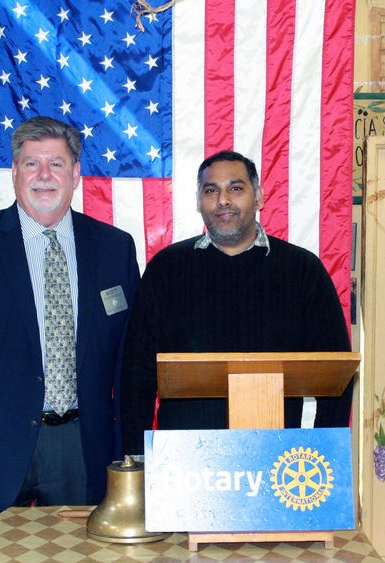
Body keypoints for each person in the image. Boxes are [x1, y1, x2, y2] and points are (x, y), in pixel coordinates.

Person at [0, 116, 139, 561]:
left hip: (84, 445)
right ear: (15, 172)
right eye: (31, 163)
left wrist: (129, 453)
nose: (43, 175)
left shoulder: (114, 247)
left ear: (76, 174)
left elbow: (128, 358)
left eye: (56, 164)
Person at [121, 150, 352, 455]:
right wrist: (137, 456)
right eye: (211, 190)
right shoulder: (167, 268)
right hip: (185, 462)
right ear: (198, 201)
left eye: (236, 188)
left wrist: (321, 452)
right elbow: (138, 373)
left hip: (278, 458)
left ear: (258, 196)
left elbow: (335, 374)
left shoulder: (302, 270)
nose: (223, 200)